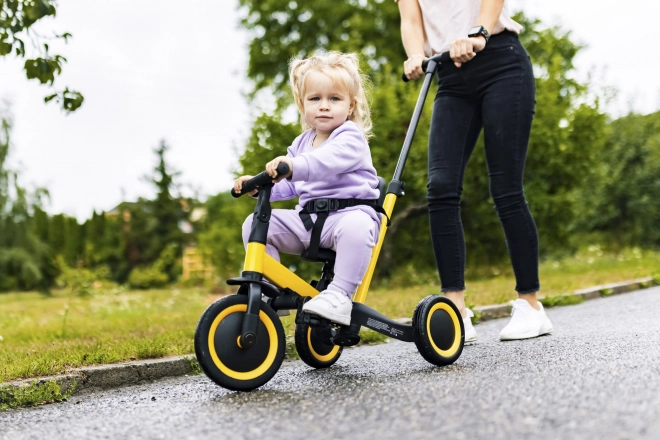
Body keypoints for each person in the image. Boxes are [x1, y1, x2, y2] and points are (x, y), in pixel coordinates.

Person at [396, 0, 553, 341]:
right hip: (450, 77)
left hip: (500, 61)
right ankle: (455, 311)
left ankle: (531, 304)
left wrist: (479, 33)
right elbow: (410, 19)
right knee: (440, 187)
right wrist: (413, 54)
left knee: (506, 188)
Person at [235, 51, 381, 326]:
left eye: (334, 99)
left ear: (350, 105)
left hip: (347, 217)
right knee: (256, 223)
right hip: (308, 221)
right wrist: (259, 186)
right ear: (303, 105)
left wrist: (292, 165)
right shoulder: (301, 143)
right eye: (315, 99)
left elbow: (322, 163)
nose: (324, 106)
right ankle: (269, 288)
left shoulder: (350, 137)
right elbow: (291, 184)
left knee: (357, 226)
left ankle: (340, 295)